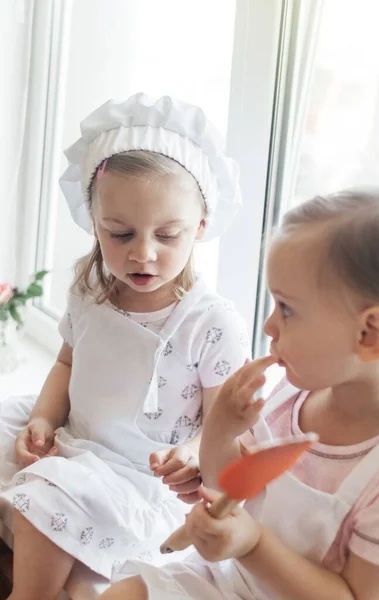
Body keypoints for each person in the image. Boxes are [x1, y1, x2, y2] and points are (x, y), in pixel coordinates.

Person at [0, 93, 250, 600]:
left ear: (200, 227)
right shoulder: (90, 292)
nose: (143, 253)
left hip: (141, 476)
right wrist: (45, 417)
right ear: (95, 223)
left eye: (167, 234)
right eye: (120, 233)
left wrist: (191, 451)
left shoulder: (209, 321)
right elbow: (68, 361)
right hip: (78, 438)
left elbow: (224, 418)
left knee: (48, 496)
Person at [102, 189, 379, 600]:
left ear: (370, 335)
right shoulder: (292, 394)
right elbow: (230, 488)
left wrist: (254, 545)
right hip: (223, 581)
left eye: (288, 309)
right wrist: (221, 433)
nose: (269, 326)